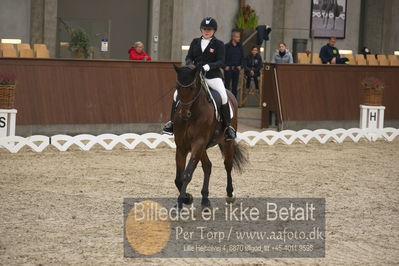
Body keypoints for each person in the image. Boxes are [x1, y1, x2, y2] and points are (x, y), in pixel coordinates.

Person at [162, 17, 236, 140]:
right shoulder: (195, 42)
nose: (207, 31)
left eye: (209, 29)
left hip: (212, 76)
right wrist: (191, 65)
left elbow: (222, 62)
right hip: (195, 76)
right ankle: (172, 123)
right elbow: (188, 57)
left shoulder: (219, 44)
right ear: (201, 30)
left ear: (214, 31)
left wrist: (209, 66)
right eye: (204, 29)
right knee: (176, 95)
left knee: (223, 96)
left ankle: (228, 127)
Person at [224, 30, 244, 98]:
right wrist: (224, 66)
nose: (239, 38)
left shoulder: (240, 47)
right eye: (237, 37)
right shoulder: (226, 46)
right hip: (228, 69)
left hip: (236, 69)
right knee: (226, 86)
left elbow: (242, 58)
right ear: (233, 37)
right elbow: (222, 58)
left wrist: (240, 66)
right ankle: (226, 102)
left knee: (235, 87)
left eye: (239, 37)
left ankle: (234, 102)